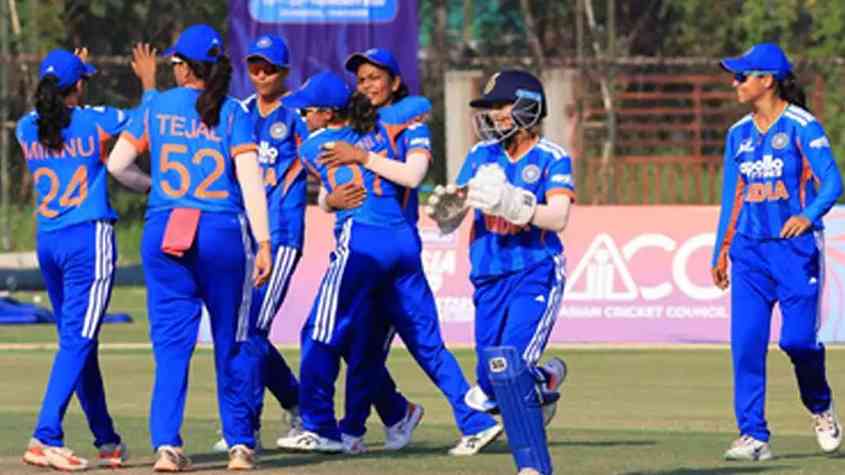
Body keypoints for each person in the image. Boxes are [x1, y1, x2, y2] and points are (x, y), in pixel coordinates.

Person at [277, 70, 502, 455]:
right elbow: (418, 105)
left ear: (328, 113)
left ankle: (319, 426)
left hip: (363, 243)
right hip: (402, 242)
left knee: (318, 331)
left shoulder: (314, 145)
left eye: (307, 111)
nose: (301, 118)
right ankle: (471, 420)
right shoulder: (384, 128)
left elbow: (379, 171)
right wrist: (333, 196)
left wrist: (338, 188)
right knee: (416, 344)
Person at [106, 24, 272, 471]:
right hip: (222, 231)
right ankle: (239, 444)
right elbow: (251, 182)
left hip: (166, 228)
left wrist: (153, 186)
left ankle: (166, 446)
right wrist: (264, 242)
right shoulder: (233, 111)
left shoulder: (156, 106)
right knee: (232, 342)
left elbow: (117, 165)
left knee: (171, 349)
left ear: (182, 67)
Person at [17, 45, 156, 472]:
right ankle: (46, 435)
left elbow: (55, 117)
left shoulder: (25, 126)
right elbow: (144, 121)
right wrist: (149, 84)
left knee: (80, 340)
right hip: (87, 240)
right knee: (78, 340)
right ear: (77, 85)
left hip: (49, 242)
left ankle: (106, 439)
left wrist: (70, 73)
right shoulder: (94, 120)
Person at [425, 69, 571, 475]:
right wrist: (448, 212)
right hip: (488, 276)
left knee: (510, 367)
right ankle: (545, 380)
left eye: (502, 105)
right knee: (489, 381)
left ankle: (532, 467)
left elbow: (559, 217)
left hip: (535, 270)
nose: (494, 114)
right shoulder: (480, 155)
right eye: (491, 107)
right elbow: (457, 209)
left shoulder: (551, 157)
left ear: (528, 106)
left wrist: (513, 204)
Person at [713, 43, 843, 461]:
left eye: (742, 76)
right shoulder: (738, 134)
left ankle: (820, 406)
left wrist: (808, 215)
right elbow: (732, 197)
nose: (735, 83)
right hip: (749, 254)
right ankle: (753, 435)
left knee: (797, 342)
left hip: (794, 252)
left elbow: (832, 182)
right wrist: (720, 251)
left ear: (767, 80)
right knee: (746, 344)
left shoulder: (803, 126)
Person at [210, 33, 306, 454]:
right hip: (244, 236)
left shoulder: (297, 113)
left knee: (250, 332)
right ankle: (296, 401)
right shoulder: (240, 112)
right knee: (243, 331)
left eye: (269, 68)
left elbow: (316, 155)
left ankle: (244, 429)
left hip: (282, 235)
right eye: (255, 67)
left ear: (284, 71)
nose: (261, 74)